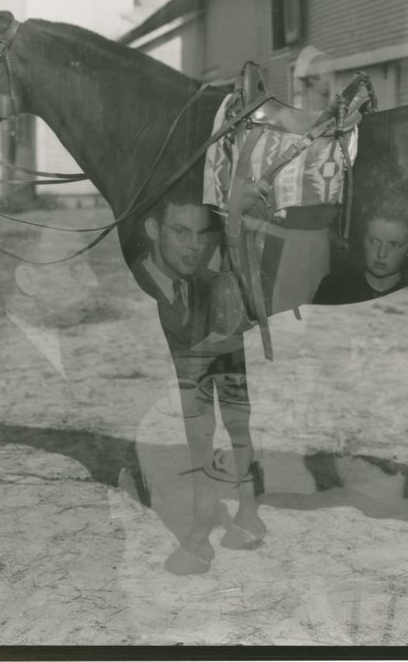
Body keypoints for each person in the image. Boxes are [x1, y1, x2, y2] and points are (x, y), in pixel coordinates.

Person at [130, 190, 265, 575]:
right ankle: (235, 516)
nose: (193, 246)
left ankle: (221, 523)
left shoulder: (207, 278)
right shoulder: (162, 277)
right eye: (181, 233)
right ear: (154, 229)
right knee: (214, 415)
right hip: (205, 329)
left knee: (229, 414)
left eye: (200, 235)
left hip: (214, 320)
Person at [313, 198, 408, 305]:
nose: (381, 254)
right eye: (374, 241)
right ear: (362, 240)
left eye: (393, 244)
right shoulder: (333, 288)